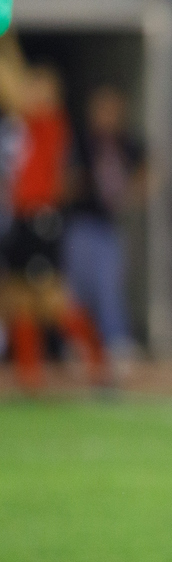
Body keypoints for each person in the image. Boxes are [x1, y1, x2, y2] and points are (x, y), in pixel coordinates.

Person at [1, 58, 109, 389]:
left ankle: (98, 364)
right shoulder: (24, 125)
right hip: (20, 218)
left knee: (52, 299)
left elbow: (13, 93)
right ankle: (29, 374)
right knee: (17, 298)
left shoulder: (50, 122)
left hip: (41, 218)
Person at [64, 86, 145, 362]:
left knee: (109, 288)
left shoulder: (125, 142)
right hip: (79, 223)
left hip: (108, 226)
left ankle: (115, 342)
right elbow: (66, 179)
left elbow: (149, 168)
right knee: (76, 289)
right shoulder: (83, 142)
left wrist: (130, 193)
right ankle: (80, 344)